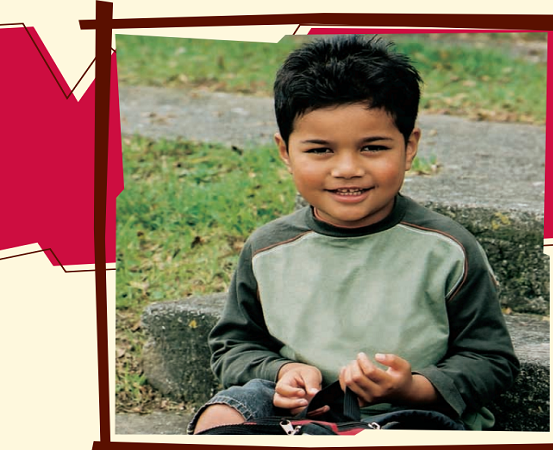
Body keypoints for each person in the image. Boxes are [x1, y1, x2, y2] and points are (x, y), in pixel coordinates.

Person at [189, 34, 519, 434]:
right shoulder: (268, 249)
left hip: (403, 415)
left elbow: (491, 359)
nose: (347, 168)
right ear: (285, 152)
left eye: (373, 147)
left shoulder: (446, 249)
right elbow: (234, 344)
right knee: (222, 414)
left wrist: (414, 387)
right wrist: (282, 370)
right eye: (320, 150)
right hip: (299, 410)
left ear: (409, 146)